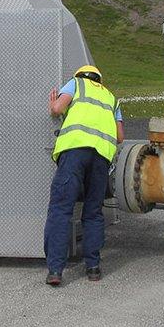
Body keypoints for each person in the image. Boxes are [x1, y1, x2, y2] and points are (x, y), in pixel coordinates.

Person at [44, 65, 124, 286]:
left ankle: (55, 270)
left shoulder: (76, 84)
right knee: (93, 212)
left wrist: (53, 105)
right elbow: (120, 136)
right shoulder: (111, 98)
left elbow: (59, 108)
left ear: (80, 75)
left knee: (61, 208)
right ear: (99, 79)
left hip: (75, 152)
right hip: (101, 158)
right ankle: (93, 268)